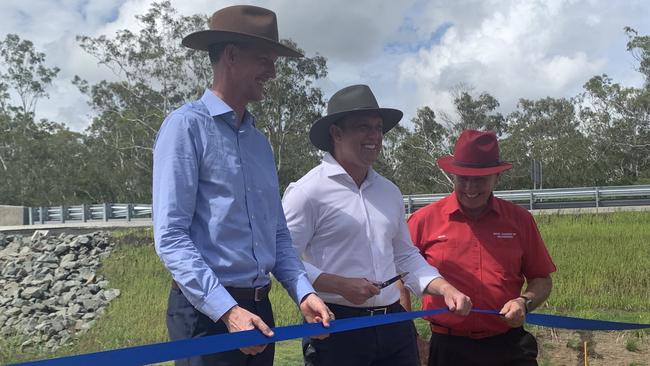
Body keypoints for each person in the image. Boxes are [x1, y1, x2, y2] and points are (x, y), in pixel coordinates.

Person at [152, 5, 331, 366]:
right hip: (207, 315)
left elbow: (277, 234)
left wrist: (303, 293)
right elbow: (170, 236)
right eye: (265, 59)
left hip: (257, 308)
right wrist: (229, 312)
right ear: (231, 56)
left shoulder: (259, 143)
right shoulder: (186, 128)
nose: (274, 72)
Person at [282, 84, 472, 366]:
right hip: (337, 325)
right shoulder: (307, 192)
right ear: (336, 133)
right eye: (363, 127)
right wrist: (338, 284)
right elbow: (282, 258)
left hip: (393, 323)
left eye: (378, 127)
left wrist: (444, 288)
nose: (375, 136)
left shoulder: (389, 192)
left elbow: (405, 256)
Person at [407, 129, 556, 366]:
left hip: (508, 345)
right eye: (463, 178)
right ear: (453, 176)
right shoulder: (424, 220)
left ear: (497, 177)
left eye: (480, 179)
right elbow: (399, 276)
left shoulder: (519, 220)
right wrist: (409, 333)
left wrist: (523, 303)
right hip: (449, 349)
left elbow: (542, 279)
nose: (470, 187)